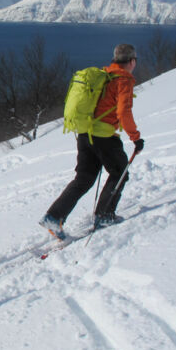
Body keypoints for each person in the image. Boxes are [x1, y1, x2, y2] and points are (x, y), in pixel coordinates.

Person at [39, 44, 145, 240]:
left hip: (84, 133)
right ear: (132, 62)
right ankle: (104, 215)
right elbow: (123, 112)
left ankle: (54, 216)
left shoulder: (104, 75)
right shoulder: (123, 80)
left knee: (84, 178)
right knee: (119, 172)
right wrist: (136, 137)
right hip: (104, 136)